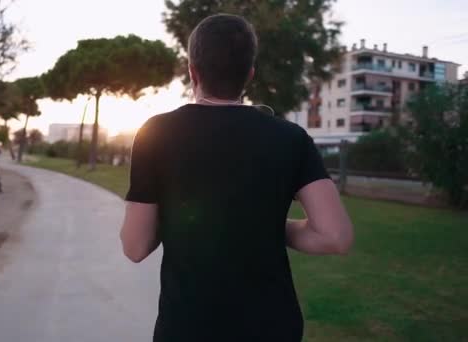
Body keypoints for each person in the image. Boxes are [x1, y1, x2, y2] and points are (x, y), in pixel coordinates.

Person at [120, 13, 354, 342]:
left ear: (192, 71)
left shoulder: (154, 134)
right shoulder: (291, 138)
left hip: (188, 328)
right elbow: (335, 236)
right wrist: (265, 225)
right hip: (273, 328)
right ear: (250, 74)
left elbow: (135, 245)